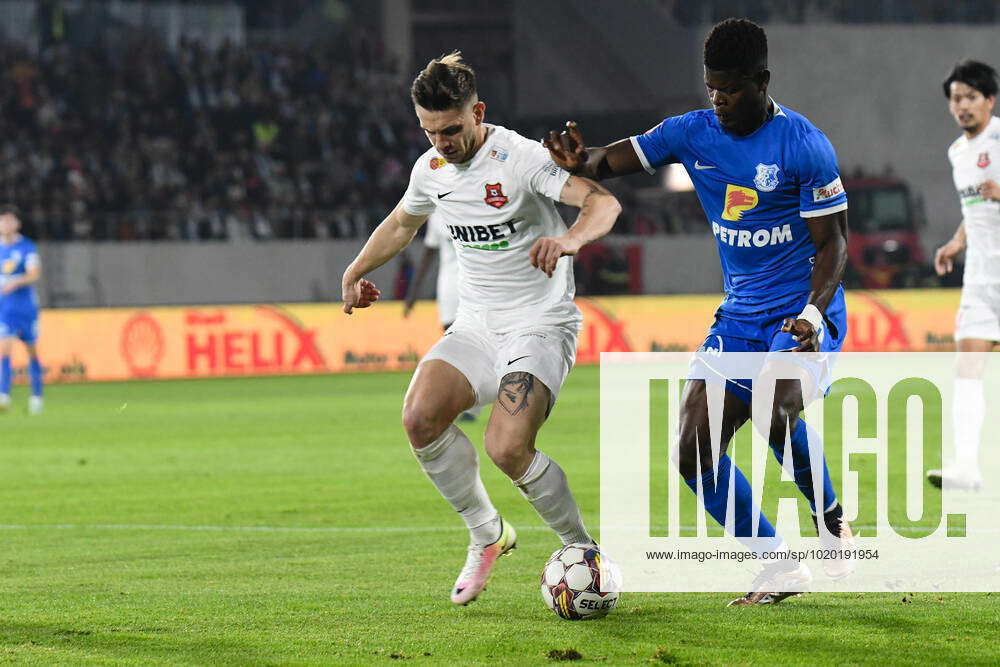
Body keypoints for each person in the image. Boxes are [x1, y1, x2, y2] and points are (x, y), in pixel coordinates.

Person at [544, 18, 854, 606]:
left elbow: (834, 244)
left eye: (730, 89)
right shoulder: (692, 133)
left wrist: (813, 317)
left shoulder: (803, 145)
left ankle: (829, 515)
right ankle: (778, 567)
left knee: (775, 407)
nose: (718, 100)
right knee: (694, 453)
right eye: (711, 88)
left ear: (761, 81)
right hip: (740, 317)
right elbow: (611, 160)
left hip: (802, 312)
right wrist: (579, 161)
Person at [341, 52, 622, 605]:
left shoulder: (519, 158)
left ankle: (581, 551)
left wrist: (569, 240)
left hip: (540, 324)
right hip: (476, 324)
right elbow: (403, 221)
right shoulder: (431, 170)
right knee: (420, 418)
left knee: (507, 447)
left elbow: (601, 201)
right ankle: (487, 533)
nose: (441, 142)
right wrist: (355, 271)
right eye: (429, 131)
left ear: (478, 113)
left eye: (451, 129)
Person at [927, 60, 1000, 491]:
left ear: (989, 99)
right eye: (956, 99)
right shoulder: (957, 153)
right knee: (967, 368)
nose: (963, 106)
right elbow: (976, 212)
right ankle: (966, 466)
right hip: (980, 279)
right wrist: (957, 242)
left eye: (971, 97)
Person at [403, 213, 481, 421]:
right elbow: (429, 253)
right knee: (453, 344)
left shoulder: (475, 206)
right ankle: (465, 398)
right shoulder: (437, 214)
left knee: (474, 343)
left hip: (476, 285)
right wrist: (413, 293)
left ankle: (472, 402)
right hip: (447, 286)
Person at [0, 205, 43, 415]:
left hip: (26, 307)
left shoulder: (27, 247)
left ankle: (36, 397)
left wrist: (15, 281)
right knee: (4, 348)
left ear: (18, 224)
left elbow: (34, 274)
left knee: (31, 351)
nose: (6, 224)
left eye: (10, 221)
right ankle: (4, 396)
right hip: (5, 308)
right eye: (3, 220)